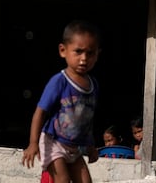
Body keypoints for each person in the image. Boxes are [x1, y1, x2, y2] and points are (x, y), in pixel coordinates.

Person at [22, 20, 101, 183]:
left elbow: (86, 120)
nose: (84, 58)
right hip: (54, 142)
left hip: (75, 146)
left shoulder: (93, 85)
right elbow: (40, 112)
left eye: (90, 53)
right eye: (78, 52)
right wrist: (32, 143)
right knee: (62, 180)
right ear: (63, 51)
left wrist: (91, 145)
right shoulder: (59, 81)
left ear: (97, 54)